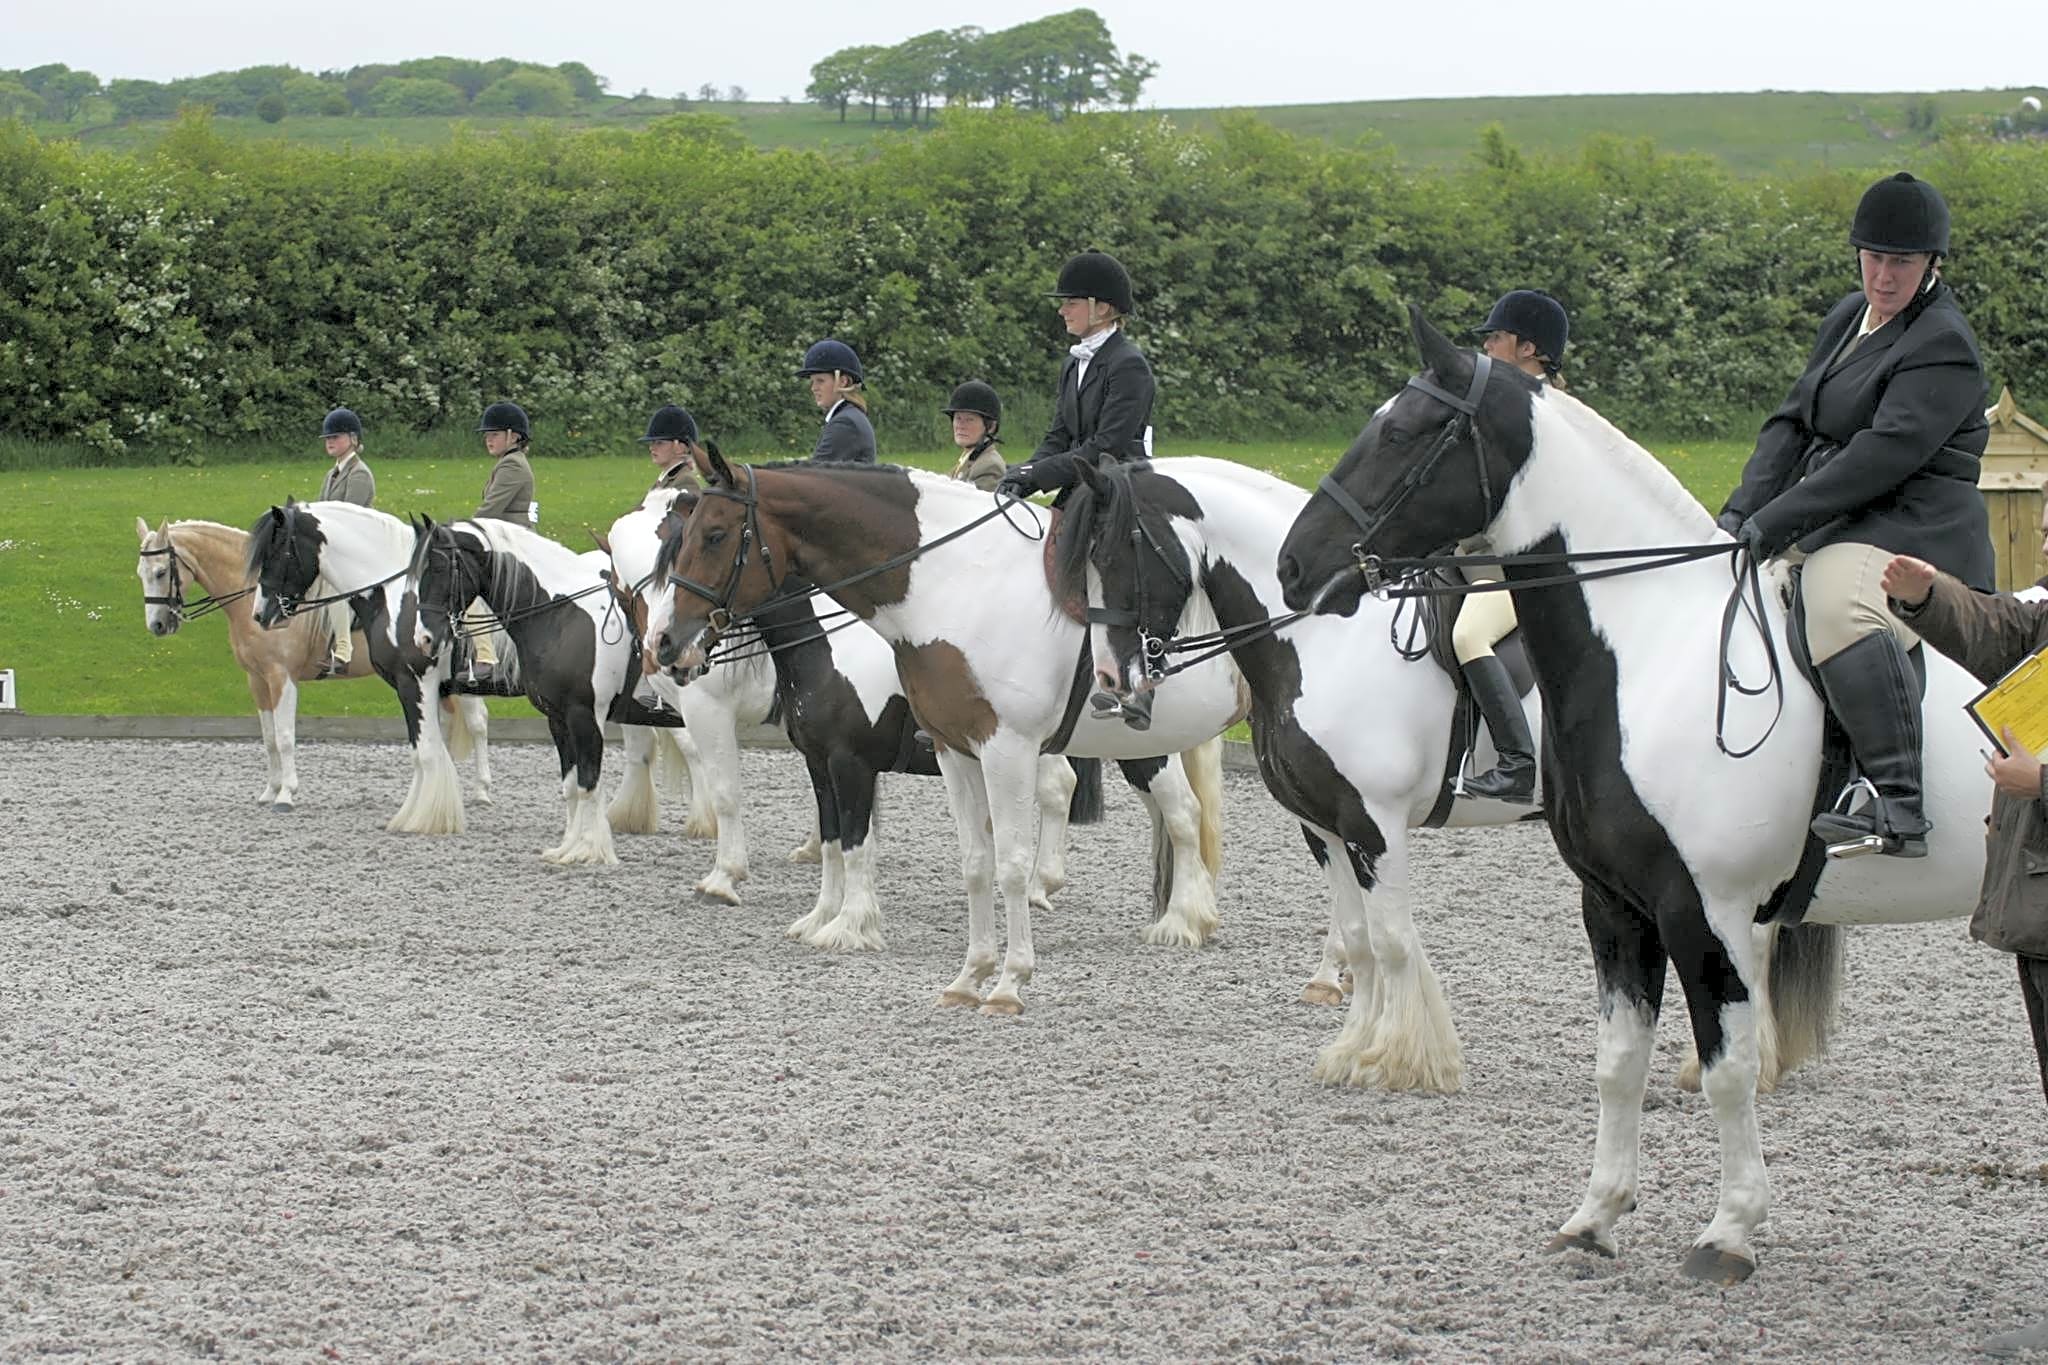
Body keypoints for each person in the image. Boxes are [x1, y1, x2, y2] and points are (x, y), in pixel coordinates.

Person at [1717, 171, 1991, 858]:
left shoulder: (1943, 343)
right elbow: (1791, 422)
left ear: (1931, 264)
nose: (1884, 274)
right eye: (1874, 256)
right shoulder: (1849, 318)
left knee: (1836, 598)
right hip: (1847, 517)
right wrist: (1738, 514)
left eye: (1901, 261)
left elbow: (1879, 457)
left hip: (1917, 528)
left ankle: (1897, 801)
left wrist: (1777, 522)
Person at [1878, 545, 2048, 1358]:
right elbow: (1995, 627)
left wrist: (2040, 786)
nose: (2045, 541)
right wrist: (1928, 595)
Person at [1452, 291, 1570, 803]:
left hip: (1522, 563)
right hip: (1478, 553)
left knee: (1468, 636)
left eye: (1495, 337)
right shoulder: (1503, 403)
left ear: (1529, 349)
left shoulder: (1548, 413)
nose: (1487, 345)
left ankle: (1517, 764)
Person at [997, 250, 1154, 507]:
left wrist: (1037, 475)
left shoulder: (1128, 365)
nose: (1062, 311)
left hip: (1118, 489)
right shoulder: (1072, 363)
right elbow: (1058, 436)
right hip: (1080, 484)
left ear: (1101, 308)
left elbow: (1107, 446)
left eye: (1071, 303)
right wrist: (1024, 472)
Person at [466, 400, 536, 684]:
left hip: (510, 545)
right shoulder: (507, 464)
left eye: (494, 433)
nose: (488, 439)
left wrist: (458, 532)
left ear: (513, 436)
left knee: (465, 588)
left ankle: (487, 657)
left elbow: (489, 510)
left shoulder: (513, 466)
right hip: (502, 540)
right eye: (487, 434)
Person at [315, 406, 374, 678]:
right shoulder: (331, 475)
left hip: (353, 548)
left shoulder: (359, 474)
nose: (329, 441)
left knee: (332, 585)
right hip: (332, 545)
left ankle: (343, 649)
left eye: (336, 437)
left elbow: (348, 517)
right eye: (328, 437)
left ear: (352, 439)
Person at [797, 339, 875, 464]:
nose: (813, 388)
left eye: (820, 381)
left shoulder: (846, 423)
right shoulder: (848, 416)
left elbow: (813, 474)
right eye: (812, 381)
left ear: (843, 382)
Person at [941, 380, 1007, 491]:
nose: (960, 426)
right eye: (958, 418)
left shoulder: (989, 466)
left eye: (969, 419)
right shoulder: (967, 458)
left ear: (991, 427)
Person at [641, 403, 703, 494]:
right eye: (652, 443)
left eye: (659, 443)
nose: (651, 448)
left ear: (680, 447)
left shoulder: (686, 481)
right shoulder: (665, 478)